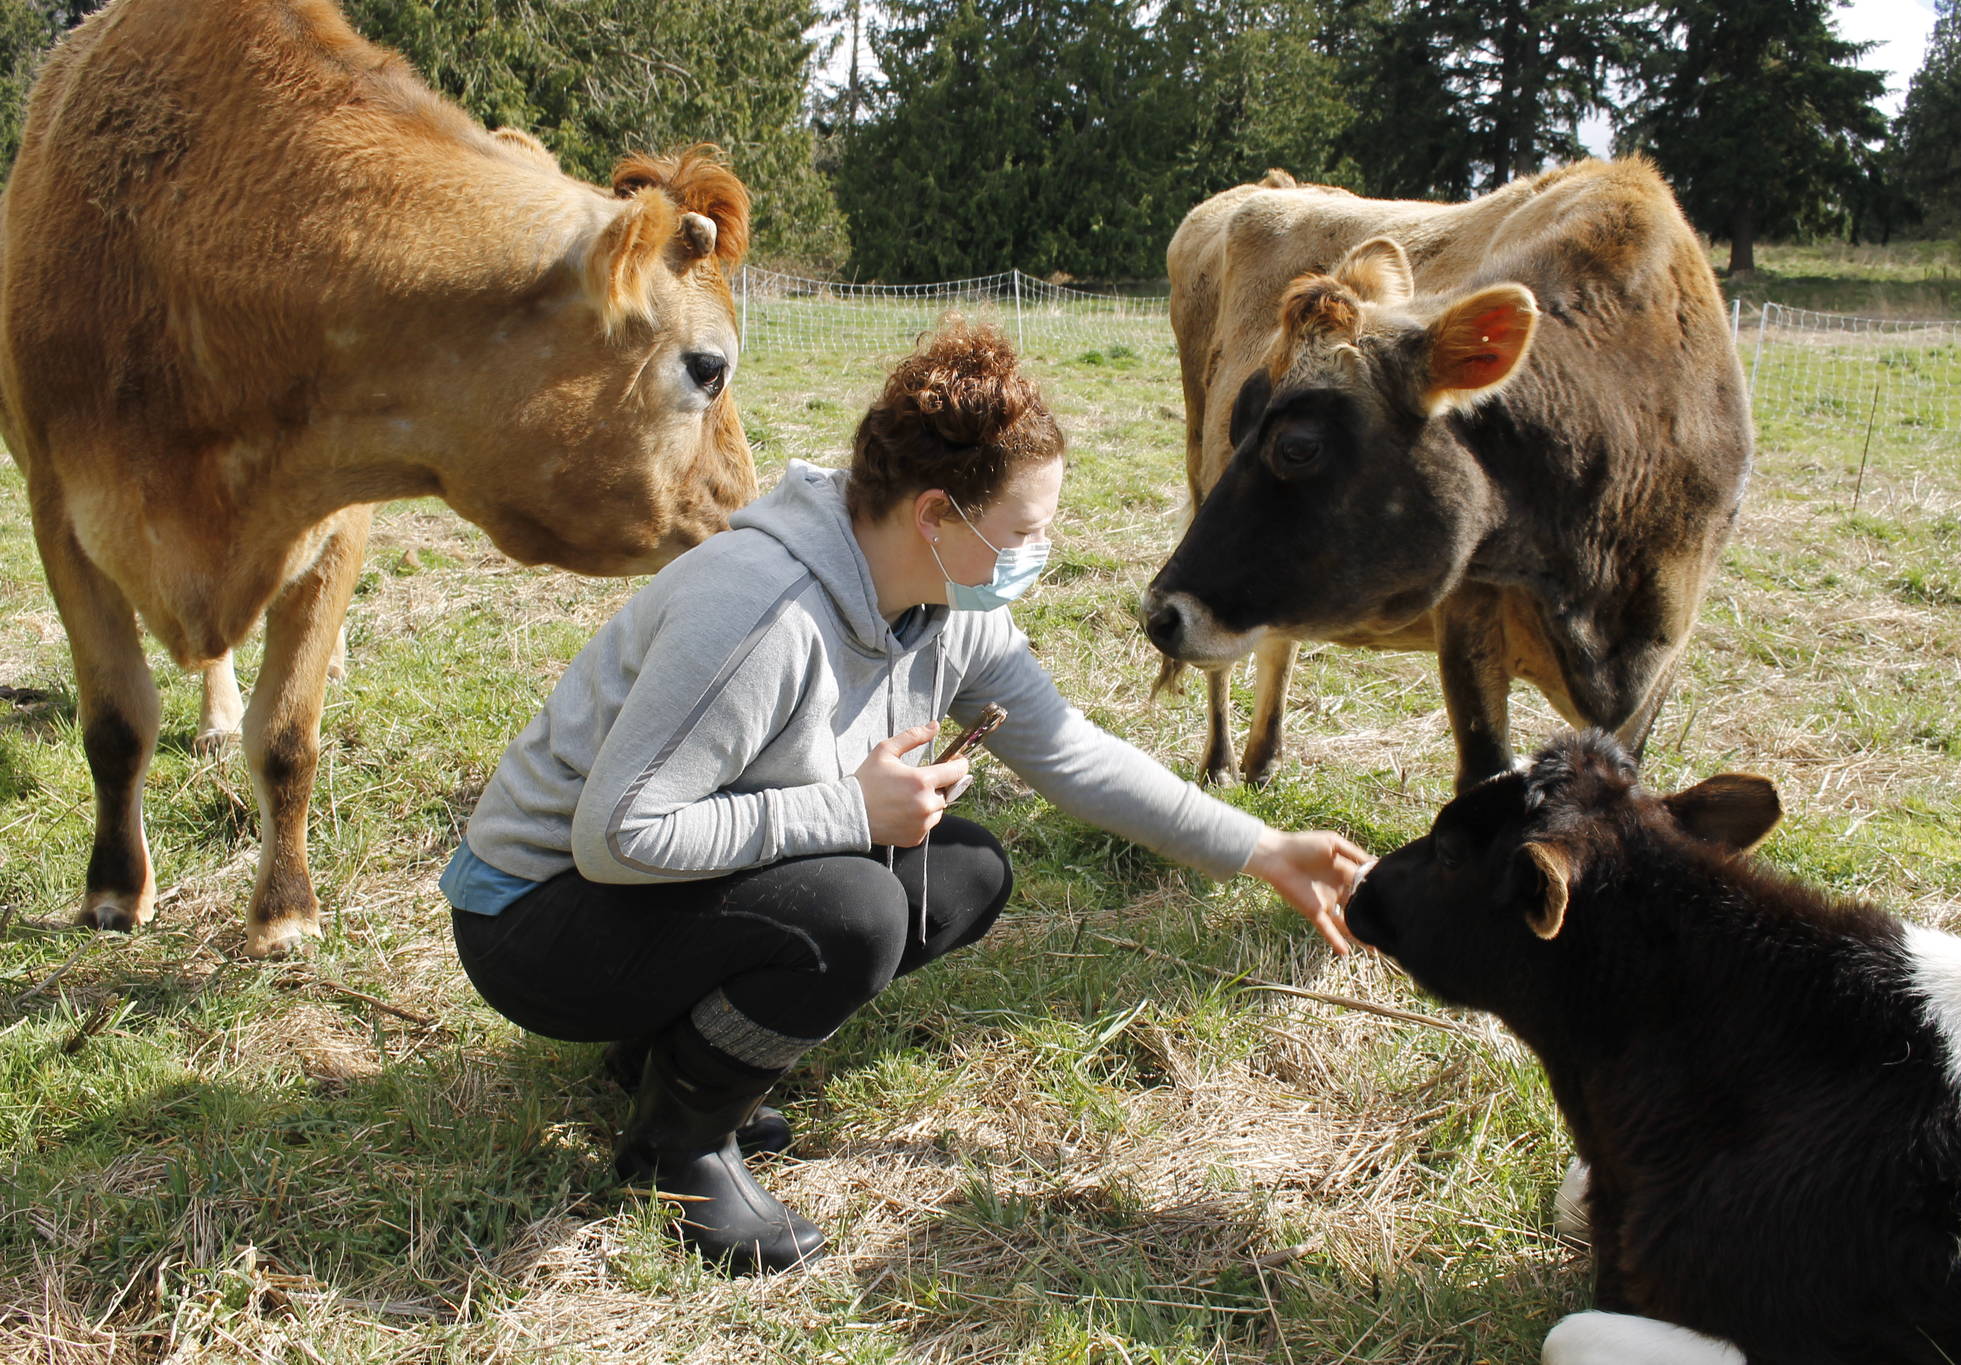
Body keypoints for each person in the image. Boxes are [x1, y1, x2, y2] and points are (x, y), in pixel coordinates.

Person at [441, 322, 1368, 1275]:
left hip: (633, 885)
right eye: (1023, 533)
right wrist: (851, 811)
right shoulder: (763, 612)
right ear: (937, 515)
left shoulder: (951, 607)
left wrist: (1258, 847)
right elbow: (616, 833)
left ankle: (663, 1058)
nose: (1035, 556)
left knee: (962, 871)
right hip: (531, 916)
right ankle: (676, 1151)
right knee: (858, 908)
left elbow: (1072, 754)